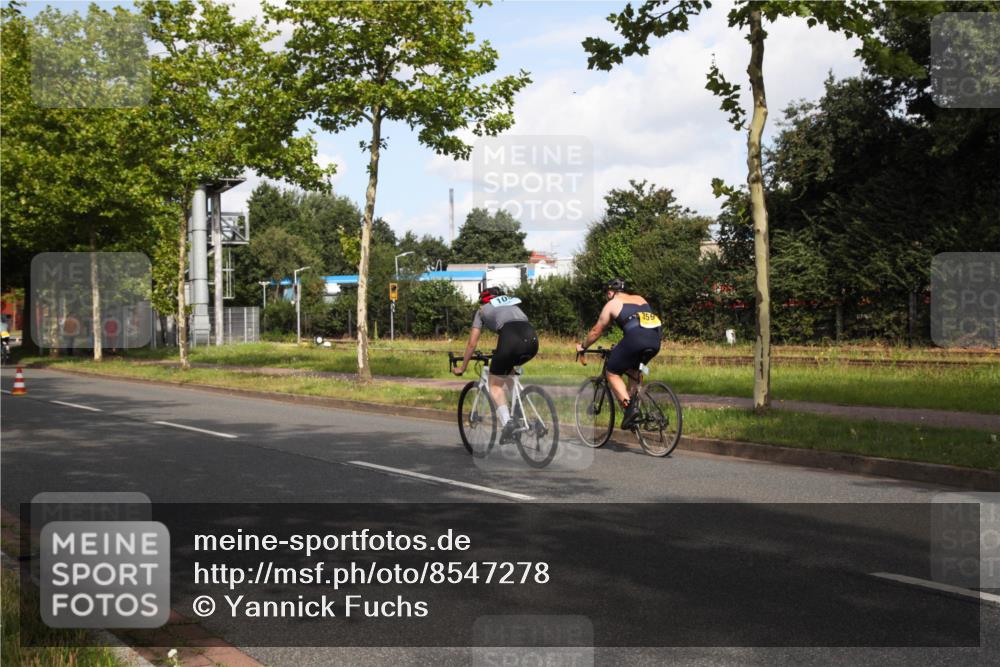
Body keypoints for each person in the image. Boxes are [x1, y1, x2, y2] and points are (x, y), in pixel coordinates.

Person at [453, 286, 539, 442]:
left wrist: (462, 367)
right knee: (508, 372)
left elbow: (472, 343)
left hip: (511, 340)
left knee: (494, 385)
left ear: (483, 300)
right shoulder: (512, 305)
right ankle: (520, 410)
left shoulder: (481, 310)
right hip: (532, 340)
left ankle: (508, 424)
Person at [576, 278, 661, 429]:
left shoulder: (612, 304)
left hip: (636, 339)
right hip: (655, 340)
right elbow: (641, 324)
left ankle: (630, 409)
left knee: (612, 373)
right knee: (633, 371)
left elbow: (596, 331)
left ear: (610, 292)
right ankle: (636, 410)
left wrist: (583, 346)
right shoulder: (640, 299)